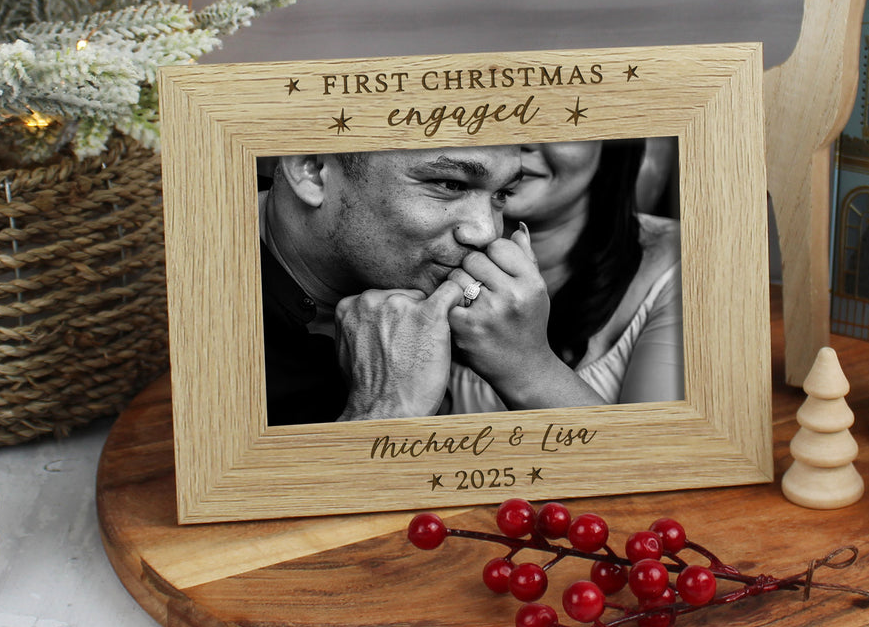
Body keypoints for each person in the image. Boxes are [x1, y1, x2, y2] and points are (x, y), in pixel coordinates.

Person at [259, 145, 522, 425]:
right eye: (450, 184)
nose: (487, 232)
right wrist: (388, 411)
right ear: (311, 170)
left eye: (502, 193)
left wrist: (526, 365)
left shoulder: (475, 318)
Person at [445, 138, 683, 413]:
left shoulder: (686, 262)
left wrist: (525, 365)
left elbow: (663, 441)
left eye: (556, 125)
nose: (522, 141)